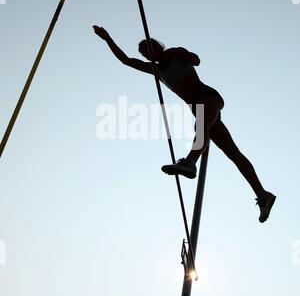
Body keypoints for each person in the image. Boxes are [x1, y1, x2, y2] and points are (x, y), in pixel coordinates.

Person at [93, 25, 276, 223]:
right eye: (144, 53)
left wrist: (185, 54)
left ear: (158, 46)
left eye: (148, 49)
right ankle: (263, 194)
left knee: (200, 129)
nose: (146, 54)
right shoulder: (155, 70)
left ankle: (190, 162)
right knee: (232, 153)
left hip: (206, 97)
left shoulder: (174, 53)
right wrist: (107, 38)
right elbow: (126, 61)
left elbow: (196, 60)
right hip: (197, 106)